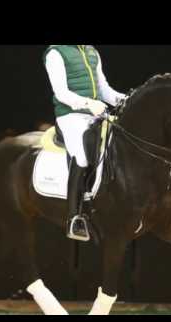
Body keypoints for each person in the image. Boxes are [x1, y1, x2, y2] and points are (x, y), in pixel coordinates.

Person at [44, 45, 127, 240]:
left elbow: (103, 89)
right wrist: (89, 103)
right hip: (70, 116)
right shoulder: (56, 52)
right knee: (81, 156)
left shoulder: (92, 51)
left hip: (96, 114)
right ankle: (74, 218)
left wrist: (125, 100)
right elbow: (61, 92)